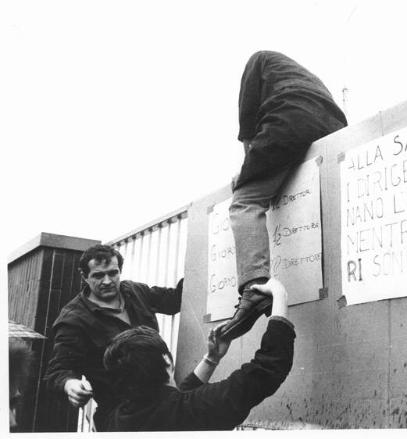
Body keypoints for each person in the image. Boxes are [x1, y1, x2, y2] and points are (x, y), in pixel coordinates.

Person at [220, 50, 347, 340]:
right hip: (333, 126)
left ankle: (254, 289)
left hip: (289, 121)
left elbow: (249, 128)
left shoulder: (256, 61)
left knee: (245, 201)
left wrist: (247, 171)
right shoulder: (300, 75)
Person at [102, 278, 294, 431]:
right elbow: (268, 369)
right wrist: (279, 295)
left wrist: (211, 359)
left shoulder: (115, 421)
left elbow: (176, 400)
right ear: (167, 360)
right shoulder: (192, 412)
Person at [44, 244, 183, 431]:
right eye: (98, 275)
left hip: (164, 402)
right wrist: (70, 384)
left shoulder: (136, 292)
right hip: (122, 417)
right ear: (84, 276)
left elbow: (175, 300)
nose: (108, 281)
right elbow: (58, 370)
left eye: (113, 273)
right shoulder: (73, 320)